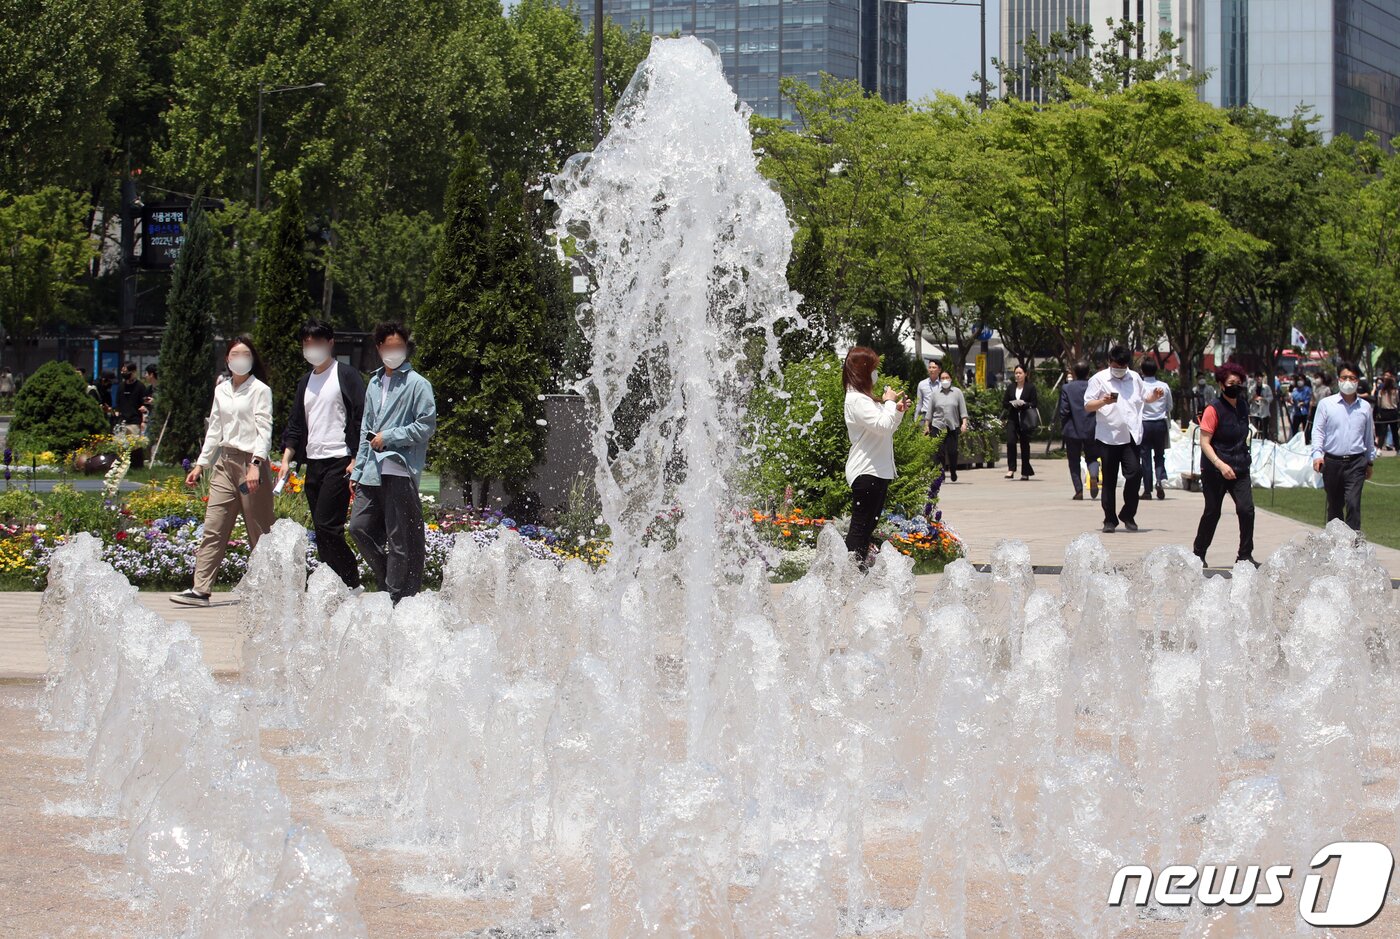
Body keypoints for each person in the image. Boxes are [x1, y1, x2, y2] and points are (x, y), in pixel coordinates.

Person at [171, 337, 276, 607]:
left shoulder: (260, 390)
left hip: (251, 466)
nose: (240, 358)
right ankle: (201, 589)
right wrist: (200, 464)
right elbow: (214, 429)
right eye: (234, 354)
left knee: (259, 531)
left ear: (252, 359)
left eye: (245, 354)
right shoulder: (222, 390)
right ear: (227, 360)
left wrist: (255, 464)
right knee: (214, 526)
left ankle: (270, 591)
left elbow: (265, 430)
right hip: (225, 464)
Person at [349, 322, 437, 603]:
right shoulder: (374, 383)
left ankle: (396, 596)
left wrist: (391, 437)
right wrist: (358, 467)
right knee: (358, 528)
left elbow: (425, 426)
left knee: (400, 539)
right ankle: (390, 575)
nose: (394, 351)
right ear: (379, 348)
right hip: (371, 471)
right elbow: (366, 429)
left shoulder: (418, 384)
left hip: (398, 468)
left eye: (399, 347)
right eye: (389, 347)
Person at [278, 319, 366, 590]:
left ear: (329, 343)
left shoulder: (346, 375)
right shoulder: (305, 382)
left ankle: (351, 581)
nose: (312, 348)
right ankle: (332, 582)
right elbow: (296, 423)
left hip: (339, 459)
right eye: (307, 344)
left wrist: (356, 458)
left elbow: (361, 417)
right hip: (313, 463)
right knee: (321, 529)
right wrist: (286, 458)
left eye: (317, 342)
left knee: (329, 527)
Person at [841, 346, 908, 571]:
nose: (875, 375)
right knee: (860, 527)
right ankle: (850, 572)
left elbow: (887, 428)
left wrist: (897, 411)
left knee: (869, 526)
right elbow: (881, 425)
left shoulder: (865, 399)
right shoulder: (857, 400)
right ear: (862, 370)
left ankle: (857, 570)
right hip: (866, 471)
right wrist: (889, 402)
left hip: (878, 470)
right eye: (873, 369)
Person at [1085, 346, 1164, 533]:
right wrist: (1103, 401)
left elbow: (1145, 397)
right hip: (1108, 437)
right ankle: (1109, 519)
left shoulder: (1135, 378)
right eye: (1116, 365)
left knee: (1135, 474)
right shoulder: (1099, 379)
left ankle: (1128, 513)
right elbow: (1088, 405)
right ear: (1109, 362)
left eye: (1123, 365)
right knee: (1110, 480)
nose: (1119, 368)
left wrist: (1155, 396)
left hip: (1130, 436)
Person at [1192, 363, 1256, 568]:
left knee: (1246, 509)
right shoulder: (1213, 409)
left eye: (1239, 383)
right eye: (1231, 383)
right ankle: (1198, 554)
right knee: (1212, 511)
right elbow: (1205, 442)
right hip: (1215, 468)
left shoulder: (1243, 406)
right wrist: (1220, 465)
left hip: (1240, 466)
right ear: (1221, 385)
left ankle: (1245, 555)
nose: (1235, 387)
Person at [1311, 362, 1376, 532]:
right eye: (1344, 377)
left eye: (1352, 378)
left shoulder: (1365, 407)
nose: (1348, 381)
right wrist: (1317, 455)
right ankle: (1335, 544)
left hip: (1356, 462)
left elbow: (1369, 436)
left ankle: (1353, 547)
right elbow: (1318, 431)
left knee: (1353, 504)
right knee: (1334, 506)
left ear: (1357, 381)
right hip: (1332, 462)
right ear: (1338, 379)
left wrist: (1370, 461)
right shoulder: (1327, 404)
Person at [1057, 360, 1100, 501]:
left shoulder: (1067, 388)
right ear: (1089, 373)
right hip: (1091, 427)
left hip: (1072, 429)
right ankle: (1093, 474)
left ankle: (1078, 490)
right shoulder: (1095, 387)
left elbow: (1064, 410)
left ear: (1074, 373)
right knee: (1092, 457)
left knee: (1073, 460)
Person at [924, 366, 968, 482]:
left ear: (951, 379)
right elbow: (930, 411)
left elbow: (963, 410)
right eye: (942, 378)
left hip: (952, 426)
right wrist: (926, 425)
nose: (944, 380)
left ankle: (953, 470)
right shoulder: (935, 394)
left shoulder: (957, 393)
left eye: (947, 378)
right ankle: (941, 475)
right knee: (939, 452)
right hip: (938, 425)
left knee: (953, 451)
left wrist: (964, 423)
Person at [1138, 359, 1173, 501]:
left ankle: (1147, 490)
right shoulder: (1164, 386)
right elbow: (1169, 406)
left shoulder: (1139, 386)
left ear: (1142, 371)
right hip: (1160, 424)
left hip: (1144, 424)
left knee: (1145, 457)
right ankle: (1159, 480)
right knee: (1159, 455)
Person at [1002, 365, 1038, 480]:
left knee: (1024, 445)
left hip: (1025, 419)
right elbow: (1004, 403)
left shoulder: (1030, 387)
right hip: (1013, 418)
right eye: (1016, 373)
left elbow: (1034, 403)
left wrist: (1024, 404)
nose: (1017, 375)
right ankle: (1011, 469)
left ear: (1025, 374)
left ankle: (1025, 471)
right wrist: (1012, 403)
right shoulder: (1011, 387)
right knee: (1011, 442)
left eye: (1020, 373)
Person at [115, 363, 148, 469]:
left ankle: (137, 467)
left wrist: (143, 420)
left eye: (127, 372)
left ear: (133, 372)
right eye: (123, 372)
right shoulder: (121, 386)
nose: (124, 374)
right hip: (122, 421)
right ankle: (121, 466)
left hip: (135, 421)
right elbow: (118, 403)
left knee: (135, 446)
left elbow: (144, 403)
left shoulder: (140, 386)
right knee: (120, 445)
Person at [915, 359, 941, 437]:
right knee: (923, 442)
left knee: (937, 442)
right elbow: (919, 403)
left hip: (938, 417)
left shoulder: (943, 385)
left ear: (939, 370)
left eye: (934, 367)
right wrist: (916, 419)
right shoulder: (922, 384)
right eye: (929, 367)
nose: (931, 370)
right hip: (924, 416)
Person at [1376, 369, 1398, 452]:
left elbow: (1379, 403)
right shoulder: (1382, 390)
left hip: (1390, 411)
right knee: (1385, 432)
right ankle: (1380, 448)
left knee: (1391, 431)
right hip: (1387, 411)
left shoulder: (1394, 390)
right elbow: (1378, 402)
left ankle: (1396, 448)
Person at [1248, 372, 1272, 441]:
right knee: (1254, 430)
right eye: (1257, 377)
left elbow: (1271, 398)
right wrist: (1253, 398)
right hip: (1254, 411)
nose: (1258, 379)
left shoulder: (1266, 387)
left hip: (1264, 412)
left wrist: (1263, 399)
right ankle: (1254, 443)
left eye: (1260, 377)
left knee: (1264, 430)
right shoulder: (1252, 388)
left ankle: (1265, 443)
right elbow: (1248, 400)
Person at [1289, 375, 1313, 442]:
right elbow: (1293, 398)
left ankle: (1306, 441)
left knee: (1306, 429)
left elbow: (1309, 399)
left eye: (1301, 380)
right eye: (1299, 380)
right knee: (1295, 429)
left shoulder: (1307, 389)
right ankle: (1295, 442)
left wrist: (1304, 403)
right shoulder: (1295, 390)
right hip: (1297, 412)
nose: (1300, 381)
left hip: (1305, 412)